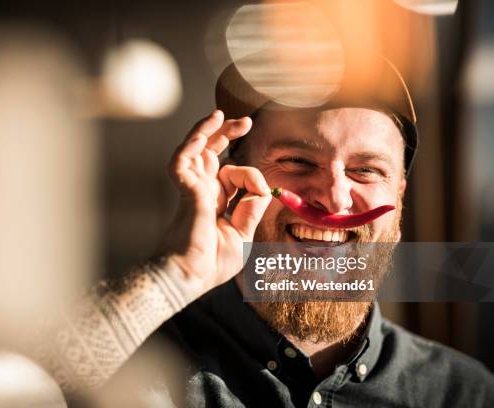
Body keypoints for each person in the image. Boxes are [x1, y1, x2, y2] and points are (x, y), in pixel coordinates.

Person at [34, 57, 494, 407]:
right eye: (297, 161)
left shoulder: (464, 393)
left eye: (367, 170)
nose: (334, 198)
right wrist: (172, 275)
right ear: (231, 181)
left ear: (400, 196)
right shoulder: (133, 363)